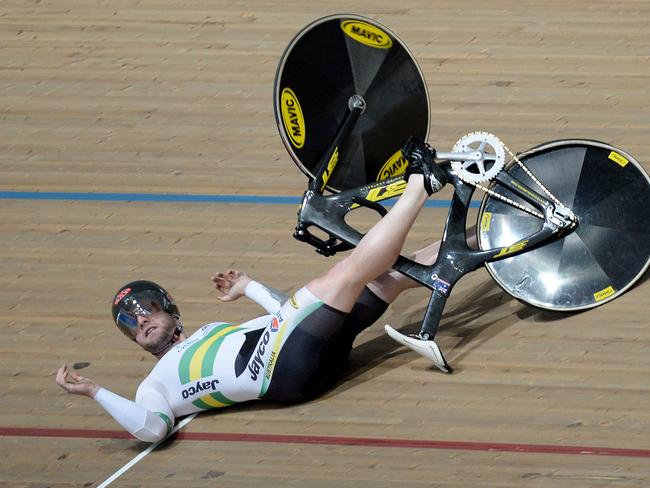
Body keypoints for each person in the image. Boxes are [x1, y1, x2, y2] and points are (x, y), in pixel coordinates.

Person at [56, 141, 448, 443]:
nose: (139, 319)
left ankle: (495, 232)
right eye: (129, 320)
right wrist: (96, 392)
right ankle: (420, 184)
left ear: (171, 311)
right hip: (280, 372)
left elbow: (289, 317)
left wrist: (249, 287)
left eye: (145, 308)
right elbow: (153, 429)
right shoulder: (152, 386)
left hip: (299, 357)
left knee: (390, 278)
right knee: (345, 275)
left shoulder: (210, 333)